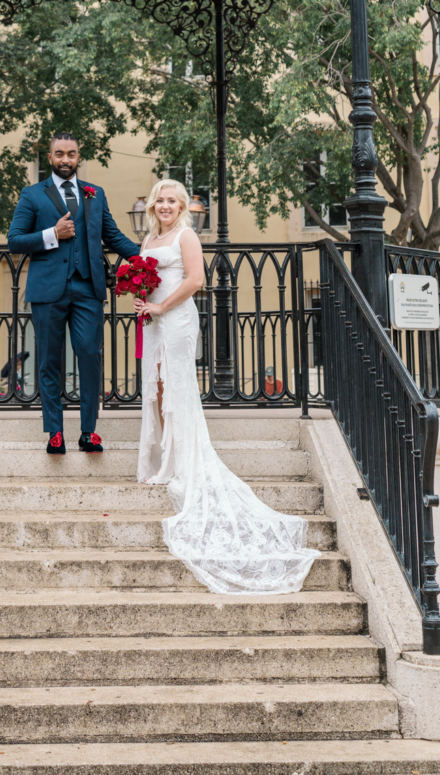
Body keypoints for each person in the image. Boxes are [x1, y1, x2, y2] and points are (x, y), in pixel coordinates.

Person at [133, 178, 319, 594]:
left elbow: (195, 280)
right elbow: (150, 278)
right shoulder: (148, 239)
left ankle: (178, 464)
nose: (165, 206)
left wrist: (161, 304)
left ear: (183, 206)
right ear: (152, 205)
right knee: (158, 388)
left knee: (177, 387)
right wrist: (142, 296)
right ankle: (164, 457)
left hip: (176, 320)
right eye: (159, 200)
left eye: (172, 201)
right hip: (154, 320)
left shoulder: (186, 237)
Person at [7, 131, 139, 455]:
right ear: (49, 158)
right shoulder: (32, 194)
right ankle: (54, 431)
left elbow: (113, 235)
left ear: (79, 157)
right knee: (49, 360)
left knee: (90, 355)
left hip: (88, 287)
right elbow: (14, 240)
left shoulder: (95, 194)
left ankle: (88, 432)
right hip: (47, 289)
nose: (66, 159)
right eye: (60, 154)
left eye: (72, 153)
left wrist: (147, 257)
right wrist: (53, 233)